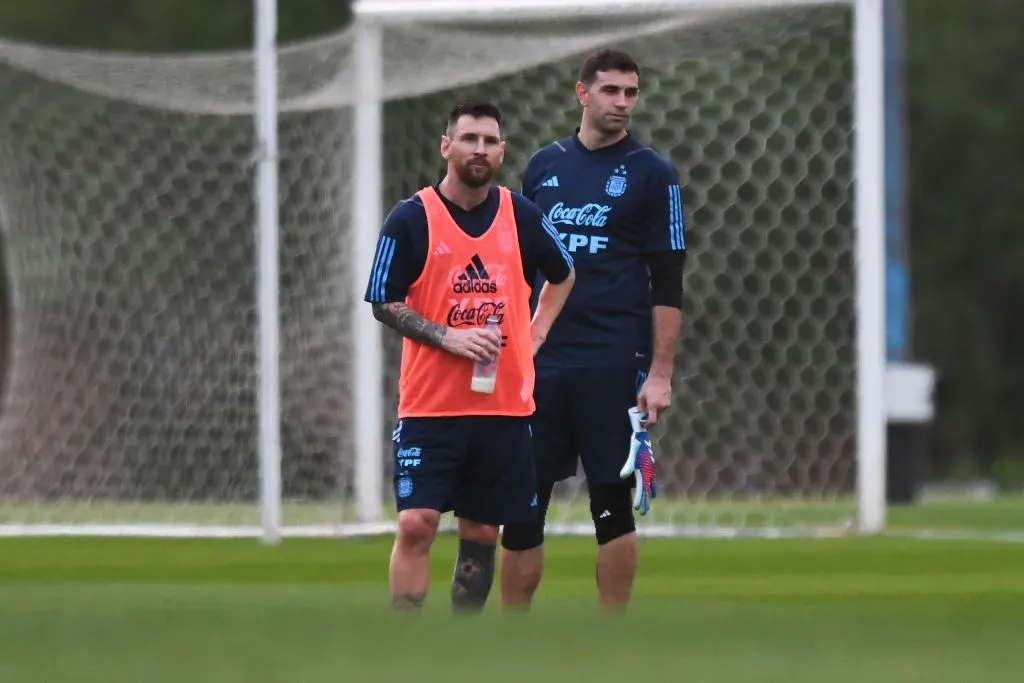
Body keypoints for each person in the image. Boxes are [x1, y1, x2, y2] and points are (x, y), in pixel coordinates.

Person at [364, 99, 576, 612]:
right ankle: (403, 642)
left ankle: (464, 644)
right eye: (468, 139)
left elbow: (564, 272)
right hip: (430, 407)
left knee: (482, 529)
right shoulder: (411, 218)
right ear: (446, 147)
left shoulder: (520, 215)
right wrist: (447, 337)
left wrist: (536, 333)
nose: (479, 149)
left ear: (501, 151)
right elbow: (382, 301)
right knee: (416, 523)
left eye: (489, 141)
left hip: (502, 409)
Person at [499, 48, 687, 613]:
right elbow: (521, 270)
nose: (622, 102)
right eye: (611, 90)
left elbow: (668, 280)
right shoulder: (543, 167)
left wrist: (660, 373)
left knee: (611, 504)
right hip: (543, 364)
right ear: (582, 93)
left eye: (631, 92)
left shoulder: (653, 174)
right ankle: (508, 636)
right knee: (522, 507)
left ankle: (612, 636)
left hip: (613, 362)